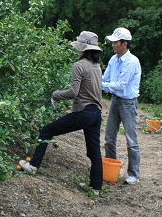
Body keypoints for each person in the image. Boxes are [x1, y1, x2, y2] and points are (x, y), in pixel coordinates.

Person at [19, 31, 104, 194]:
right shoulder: (96, 67)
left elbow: (73, 92)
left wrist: (55, 94)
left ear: (83, 49)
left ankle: (33, 166)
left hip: (84, 112)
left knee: (46, 130)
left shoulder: (79, 65)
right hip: (96, 114)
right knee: (94, 152)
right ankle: (96, 188)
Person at [101, 27, 142, 185]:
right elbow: (105, 78)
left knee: (131, 139)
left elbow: (120, 85)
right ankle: (112, 169)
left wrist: (99, 85)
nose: (113, 45)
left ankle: (134, 174)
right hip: (115, 101)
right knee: (109, 138)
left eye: (115, 42)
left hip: (128, 103)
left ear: (124, 44)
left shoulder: (131, 62)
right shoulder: (113, 59)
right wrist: (100, 83)